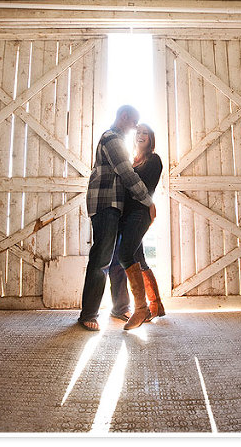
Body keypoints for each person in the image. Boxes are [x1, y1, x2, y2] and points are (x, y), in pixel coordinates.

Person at [78, 105, 156, 331]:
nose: (135, 128)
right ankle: (88, 314)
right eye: (133, 122)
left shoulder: (119, 141)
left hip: (117, 207)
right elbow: (127, 174)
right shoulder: (112, 139)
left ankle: (120, 308)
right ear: (124, 117)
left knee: (117, 261)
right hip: (106, 204)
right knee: (102, 258)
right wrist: (148, 201)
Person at [107, 123, 164, 329]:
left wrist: (126, 173)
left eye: (145, 133)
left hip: (140, 213)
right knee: (139, 258)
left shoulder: (153, 160)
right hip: (128, 215)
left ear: (151, 139)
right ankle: (156, 305)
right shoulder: (133, 161)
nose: (141, 136)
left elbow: (142, 187)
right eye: (138, 132)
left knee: (125, 255)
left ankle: (141, 309)